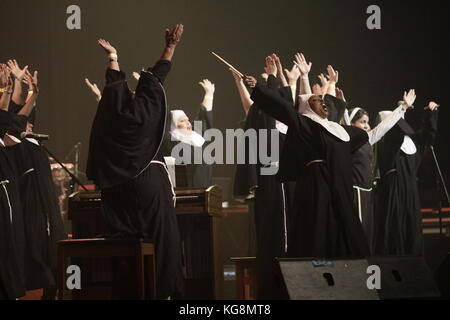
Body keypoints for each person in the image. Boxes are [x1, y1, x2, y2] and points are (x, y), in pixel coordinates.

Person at [86, 24, 185, 300]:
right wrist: (170, 46)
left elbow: (115, 86)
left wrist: (113, 57)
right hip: (148, 185)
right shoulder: (145, 110)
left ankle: (128, 292)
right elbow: (157, 78)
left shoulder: (110, 118)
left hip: (116, 191)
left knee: (123, 244)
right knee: (163, 239)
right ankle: (163, 292)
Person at [243, 55, 371, 259]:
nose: (323, 102)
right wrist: (259, 87)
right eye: (317, 100)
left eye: (322, 100)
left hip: (339, 186)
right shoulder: (305, 125)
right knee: (317, 230)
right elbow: (283, 107)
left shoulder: (339, 129)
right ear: (308, 108)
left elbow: (365, 136)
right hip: (317, 186)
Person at [230, 54, 298, 299]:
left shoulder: (287, 119)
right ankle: (272, 287)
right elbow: (256, 107)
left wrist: (276, 76)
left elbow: (284, 99)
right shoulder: (264, 117)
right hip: (269, 179)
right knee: (270, 234)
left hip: (286, 180)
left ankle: (289, 283)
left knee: (287, 231)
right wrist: (257, 82)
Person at [338, 91, 415, 251]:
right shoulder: (349, 139)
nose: (366, 125)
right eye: (361, 122)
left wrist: (403, 108)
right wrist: (343, 107)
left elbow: (385, 126)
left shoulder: (369, 138)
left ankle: (365, 265)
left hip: (368, 193)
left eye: (367, 122)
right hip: (355, 192)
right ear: (352, 124)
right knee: (356, 234)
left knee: (367, 233)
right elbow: (345, 123)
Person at [373, 100, 440, 255]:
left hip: (410, 190)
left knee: (411, 226)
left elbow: (428, 135)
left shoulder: (412, 141)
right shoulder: (387, 143)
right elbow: (392, 134)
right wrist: (402, 108)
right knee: (396, 226)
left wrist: (431, 112)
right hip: (393, 190)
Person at [163, 79, 215, 188]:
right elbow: (161, 117)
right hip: (183, 191)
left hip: (205, 190)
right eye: (182, 121)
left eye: (187, 120)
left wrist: (209, 94)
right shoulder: (170, 140)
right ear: (172, 125)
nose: (188, 123)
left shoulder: (196, 136)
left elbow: (203, 117)